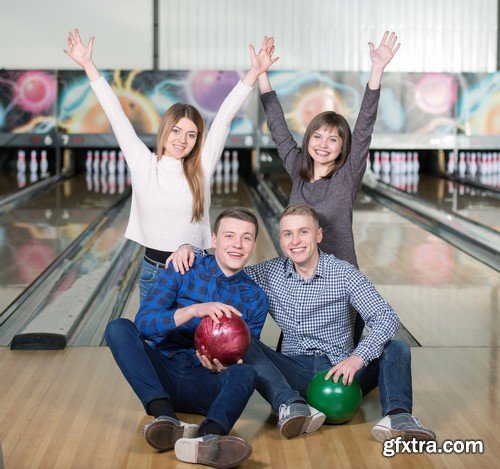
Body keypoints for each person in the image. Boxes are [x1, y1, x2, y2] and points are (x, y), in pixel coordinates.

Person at [169, 203, 436, 442]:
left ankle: (398, 417)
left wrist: (357, 358)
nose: (295, 241)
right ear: (281, 239)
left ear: (318, 235)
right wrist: (189, 249)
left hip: (343, 372)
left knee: (396, 348)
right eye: (288, 234)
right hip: (293, 372)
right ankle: (291, 405)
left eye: (303, 232)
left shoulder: (343, 273)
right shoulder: (269, 272)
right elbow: (226, 264)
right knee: (246, 341)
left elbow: (385, 317)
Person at [64, 30, 278, 305]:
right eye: (176, 131)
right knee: (153, 342)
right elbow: (116, 115)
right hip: (154, 271)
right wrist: (88, 66)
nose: (182, 140)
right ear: (165, 131)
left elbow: (224, 118)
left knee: (195, 345)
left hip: (196, 272)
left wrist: (253, 73)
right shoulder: (144, 164)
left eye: (191, 135)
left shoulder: (202, 167)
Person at [258, 32, 400, 344]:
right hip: (300, 280)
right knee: (296, 359)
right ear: (308, 139)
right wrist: (262, 76)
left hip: (341, 283)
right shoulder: (297, 170)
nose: (323, 145)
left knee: (339, 362)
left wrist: (376, 71)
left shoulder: (347, 177)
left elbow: (364, 127)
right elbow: (278, 127)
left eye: (333, 139)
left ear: (342, 148)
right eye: (317, 136)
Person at [104, 207, 269, 467]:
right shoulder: (183, 267)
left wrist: (226, 365)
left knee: (247, 373)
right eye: (229, 236)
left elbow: (244, 355)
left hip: (204, 382)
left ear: (253, 244)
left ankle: (207, 439)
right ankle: (165, 418)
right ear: (214, 240)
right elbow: (144, 324)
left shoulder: (255, 297)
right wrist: (193, 310)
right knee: (118, 328)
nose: (237, 244)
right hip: (163, 371)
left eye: (246, 237)